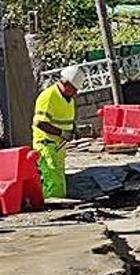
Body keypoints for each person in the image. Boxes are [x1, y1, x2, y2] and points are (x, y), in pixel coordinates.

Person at [32, 66, 83, 199]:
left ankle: (58, 201)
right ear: (66, 83)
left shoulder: (68, 98)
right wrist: (62, 133)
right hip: (47, 144)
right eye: (74, 89)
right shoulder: (48, 96)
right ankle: (52, 205)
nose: (76, 93)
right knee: (52, 178)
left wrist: (73, 129)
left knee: (58, 177)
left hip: (58, 146)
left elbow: (64, 118)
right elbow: (39, 122)